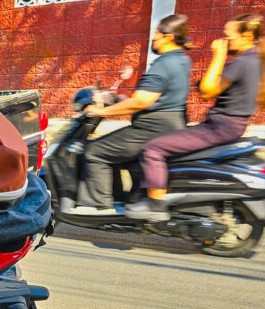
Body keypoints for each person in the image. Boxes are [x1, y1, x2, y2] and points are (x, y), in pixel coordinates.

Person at [128, 13, 265, 221]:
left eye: (228, 36)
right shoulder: (255, 59)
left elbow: (206, 91)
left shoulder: (241, 62)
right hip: (231, 125)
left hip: (220, 126)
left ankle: (155, 205)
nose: (224, 41)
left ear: (246, 36)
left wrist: (218, 56)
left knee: (153, 148)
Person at [70, 14, 192, 215]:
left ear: (168, 37)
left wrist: (101, 110)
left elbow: (141, 102)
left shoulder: (164, 63)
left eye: (156, 34)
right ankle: (123, 199)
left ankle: (99, 206)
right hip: (172, 124)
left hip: (152, 128)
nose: (153, 38)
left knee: (94, 151)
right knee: (116, 150)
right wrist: (121, 99)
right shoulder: (182, 59)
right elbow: (161, 94)